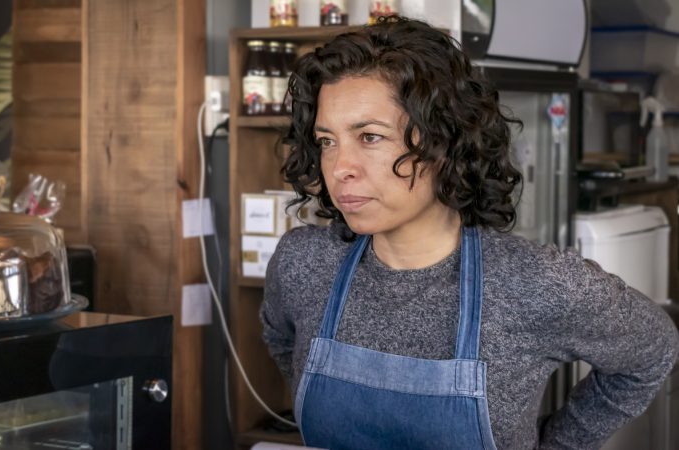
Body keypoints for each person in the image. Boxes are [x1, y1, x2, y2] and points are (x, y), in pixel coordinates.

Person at [260, 16, 679, 450]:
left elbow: (653, 352)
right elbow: (282, 340)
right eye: (327, 140)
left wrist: (558, 444)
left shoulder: (537, 283)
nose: (340, 167)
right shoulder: (303, 263)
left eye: (369, 137)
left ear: (443, 142)